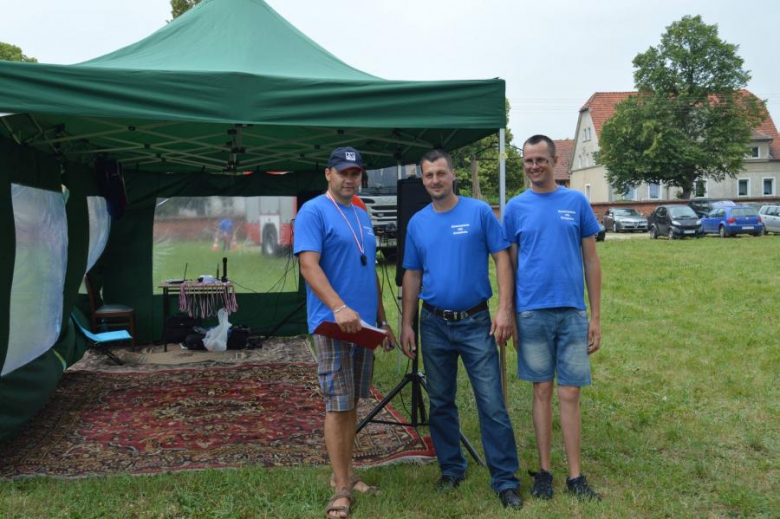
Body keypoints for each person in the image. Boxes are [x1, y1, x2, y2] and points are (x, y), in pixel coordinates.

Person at [400, 149, 523, 509]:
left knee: (492, 403)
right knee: (440, 402)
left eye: (441, 173)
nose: (435, 180)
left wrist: (505, 310)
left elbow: (502, 258)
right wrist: (406, 323)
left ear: (454, 175)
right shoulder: (418, 223)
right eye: (428, 175)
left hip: (476, 323)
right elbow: (412, 275)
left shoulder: (479, 212)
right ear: (422, 180)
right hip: (433, 324)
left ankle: (505, 480)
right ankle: (451, 469)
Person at [293, 146, 397, 519]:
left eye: (355, 173)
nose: (350, 179)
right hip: (333, 323)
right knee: (337, 405)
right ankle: (340, 488)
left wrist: (382, 321)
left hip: (363, 326)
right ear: (328, 174)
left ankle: (347, 475)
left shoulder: (361, 213)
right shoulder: (313, 211)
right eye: (343, 172)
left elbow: (369, 271)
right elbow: (309, 266)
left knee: (351, 402)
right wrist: (339, 307)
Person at [503, 134, 602, 501]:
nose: (534, 166)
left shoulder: (576, 202)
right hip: (532, 312)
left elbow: (591, 260)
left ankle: (575, 476)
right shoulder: (515, 208)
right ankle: (544, 472)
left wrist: (595, 316)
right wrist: (511, 315)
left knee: (570, 392)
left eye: (540, 160)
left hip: (572, 312)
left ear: (555, 161)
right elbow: (510, 267)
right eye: (528, 161)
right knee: (542, 390)